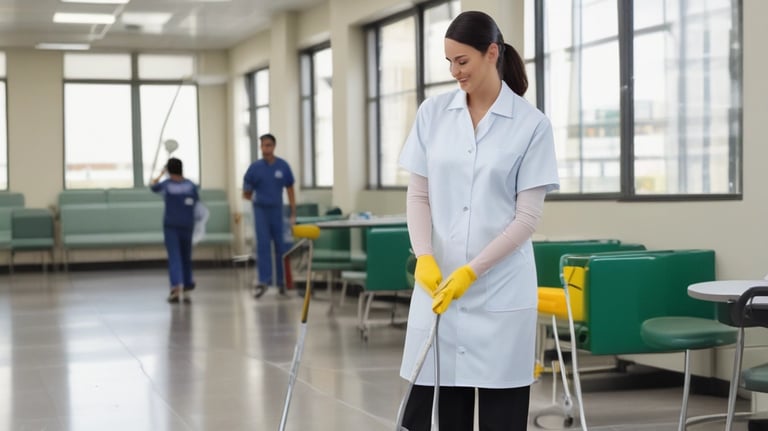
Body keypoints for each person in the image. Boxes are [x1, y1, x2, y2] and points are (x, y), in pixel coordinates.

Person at [397, 11, 560, 431]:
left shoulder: (531, 125)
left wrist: (472, 271)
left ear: (492, 53)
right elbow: (418, 195)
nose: (455, 72)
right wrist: (426, 256)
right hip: (439, 290)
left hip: (500, 289)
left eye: (462, 61)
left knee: (501, 415)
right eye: (448, 62)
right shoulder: (433, 113)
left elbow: (526, 218)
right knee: (440, 409)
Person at [242, 133, 297, 298]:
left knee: (281, 246)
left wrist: (293, 211)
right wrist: (258, 199)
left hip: (277, 210)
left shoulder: (283, 166)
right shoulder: (255, 168)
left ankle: (282, 283)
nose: (265, 149)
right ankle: (264, 281)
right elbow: (246, 193)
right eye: (263, 146)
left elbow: (290, 188)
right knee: (263, 246)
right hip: (261, 211)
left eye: (268, 145)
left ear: (274, 146)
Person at [151, 157, 200, 304]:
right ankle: (187, 286)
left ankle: (175, 288)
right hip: (187, 225)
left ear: (169, 170)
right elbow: (196, 201)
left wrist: (161, 173)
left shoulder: (167, 185)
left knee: (174, 257)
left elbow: (153, 186)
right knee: (186, 257)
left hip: (171, 226)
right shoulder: (190, 185)